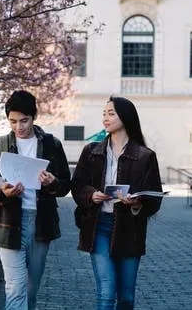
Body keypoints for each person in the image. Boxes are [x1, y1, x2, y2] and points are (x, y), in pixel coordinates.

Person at [0, 90, 71, 310]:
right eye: (13, 121)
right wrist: (4, 192)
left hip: (41, 222)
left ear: (34, 117)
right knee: (15, 287)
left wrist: (52, 183)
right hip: (9, 223)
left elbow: (66, 186)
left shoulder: (52, 145)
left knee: (31, 288)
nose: (19, 127)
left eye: (24, 121)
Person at [71, 96, 163, 310]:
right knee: (106, 291)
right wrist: (91, 195)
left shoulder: (145, 156)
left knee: (126, 297)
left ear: (126, 116)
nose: (106, 118)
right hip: (98, 225)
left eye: (111, 113)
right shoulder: (91, 151)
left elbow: (155, 198)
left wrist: (136, 203)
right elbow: (77, 185)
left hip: (130, 230)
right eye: (104, 113)